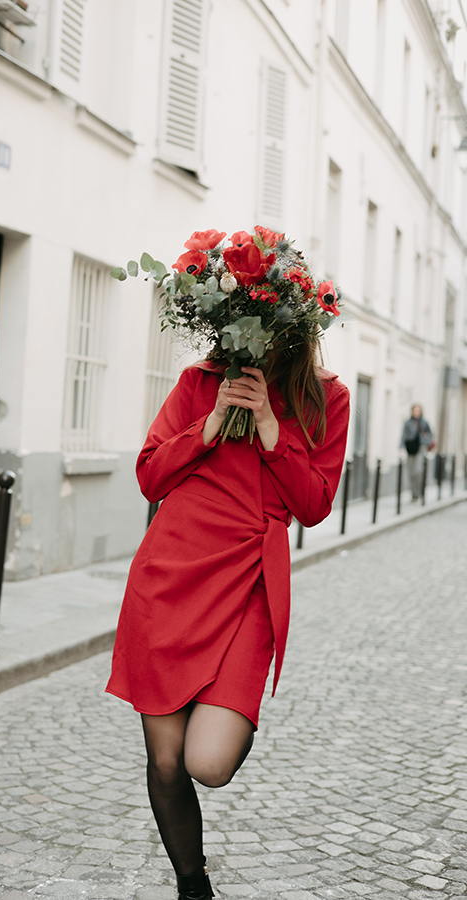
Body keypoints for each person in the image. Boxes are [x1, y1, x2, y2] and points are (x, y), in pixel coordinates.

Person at [106, 343, 350, 900]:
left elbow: (314, 505)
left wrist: (269, 424)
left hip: (249, 583)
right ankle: (194, 887)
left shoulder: (326, 397)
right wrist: (211, 421)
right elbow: (150, 475)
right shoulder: (201, 380)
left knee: (208, 763)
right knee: (166, 763)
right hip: (170, 576)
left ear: (297, 323)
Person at [401, 404, 434, 501]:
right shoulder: (408, 423)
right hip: (411, 448)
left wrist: (426, 442)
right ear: (412, 411)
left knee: (418, 471)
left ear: (421, 412)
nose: (416, 413)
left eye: (418, 411)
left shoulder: (424, 422)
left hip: (420, 448)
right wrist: (401, 446)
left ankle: (419, 492)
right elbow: (403, 435)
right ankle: (413, 494)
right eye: (415, 411)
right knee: (411, 473)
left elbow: (431, 434)